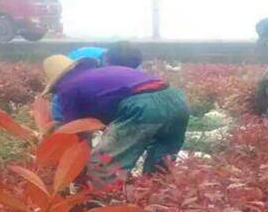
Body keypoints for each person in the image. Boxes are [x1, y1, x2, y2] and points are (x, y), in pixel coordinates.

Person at [43, 54, 189, 185]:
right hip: (176, 100)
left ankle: (103, 205)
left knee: (103, 165)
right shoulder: (98, 74)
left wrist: (71, 168)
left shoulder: (68, 88)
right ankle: (156, 203)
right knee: (162, 165)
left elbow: (77, 133)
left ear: (57, 82)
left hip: (143, 106)